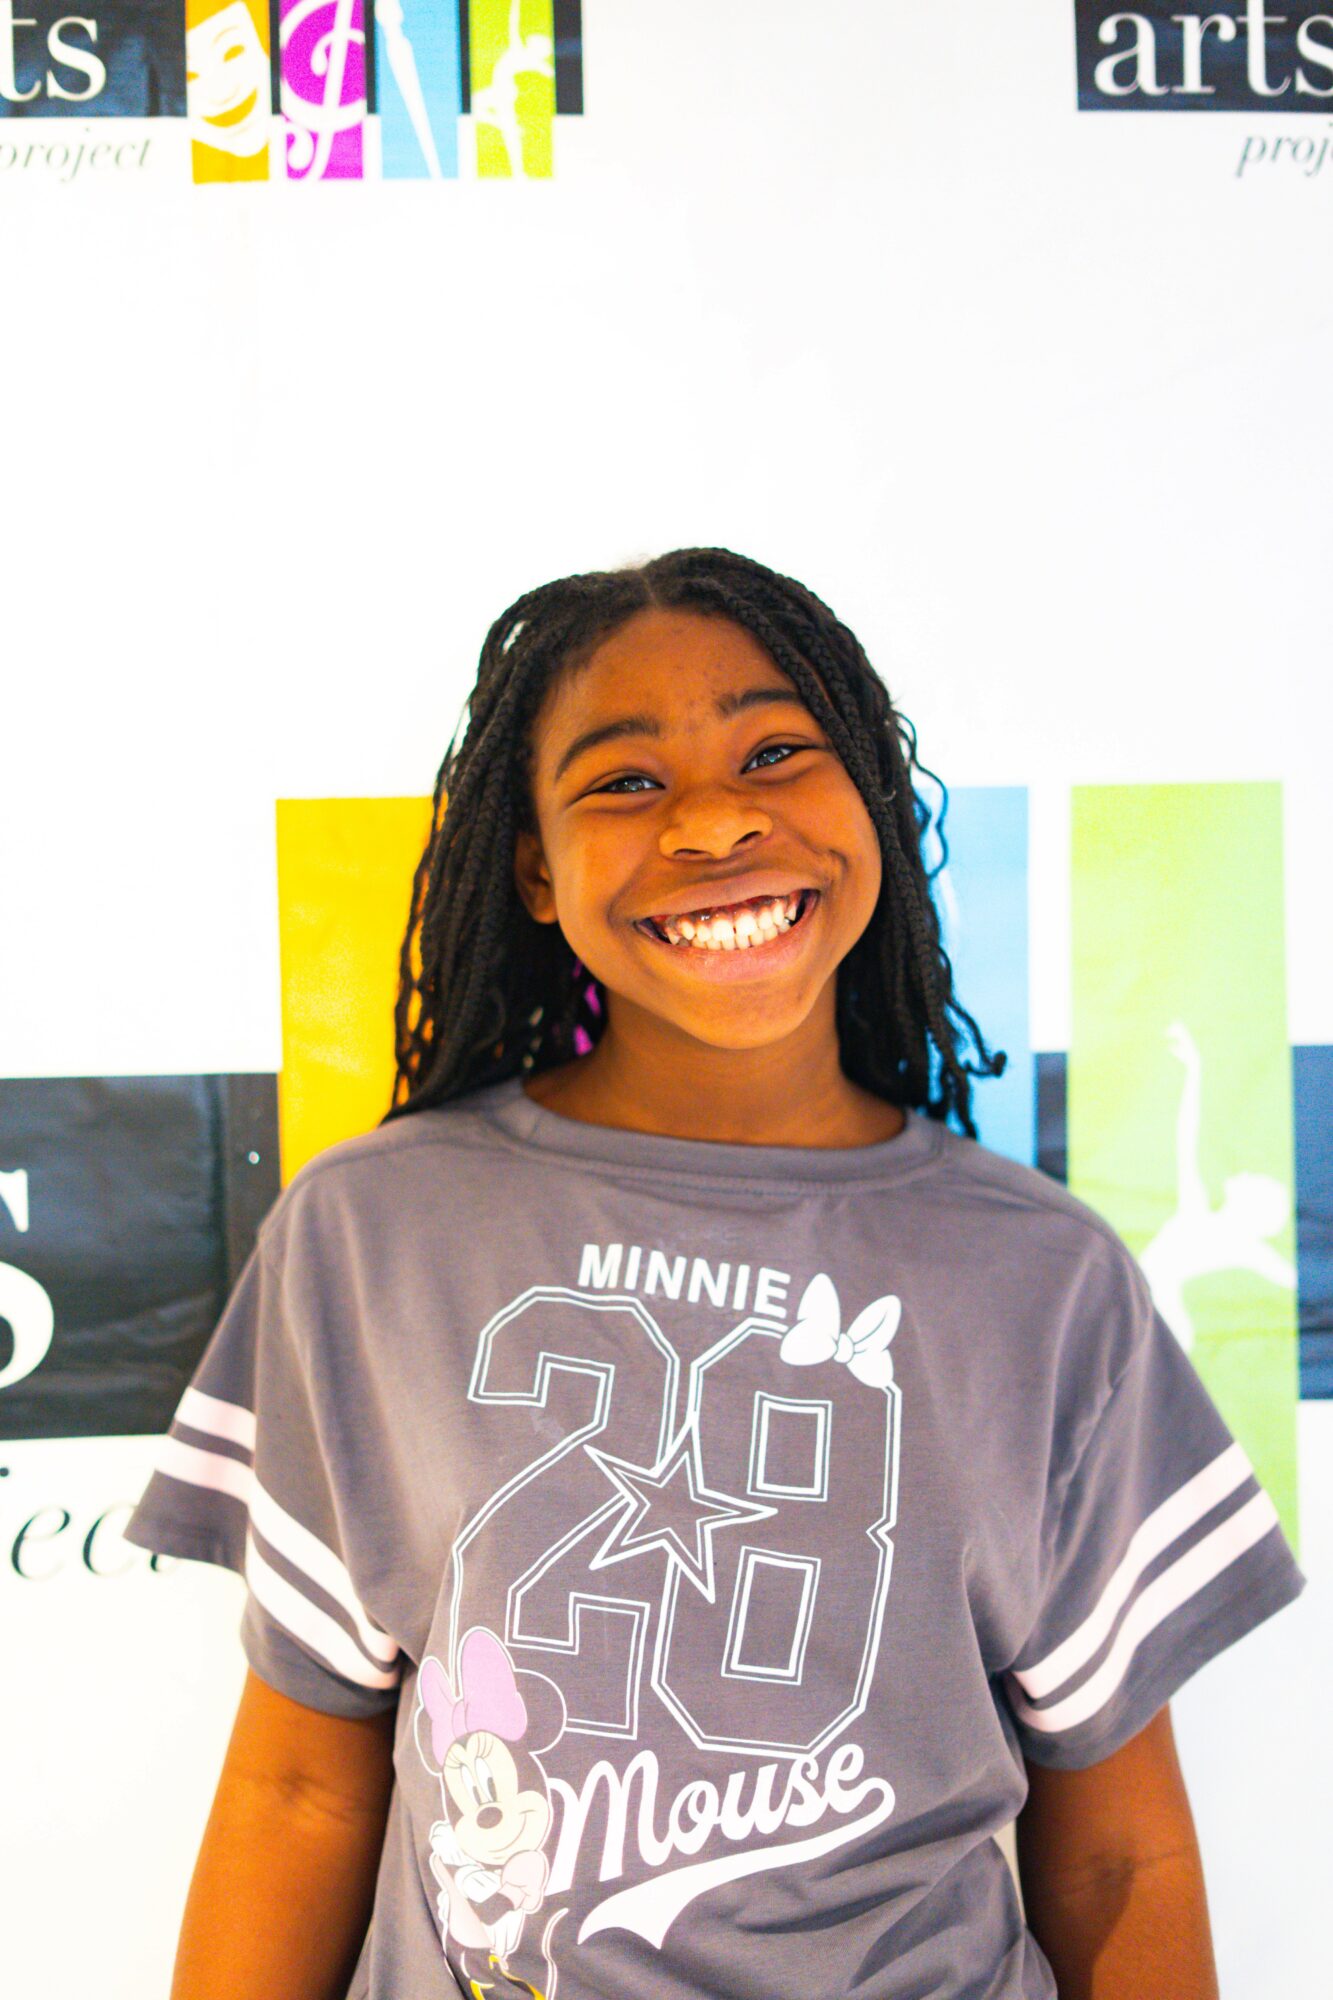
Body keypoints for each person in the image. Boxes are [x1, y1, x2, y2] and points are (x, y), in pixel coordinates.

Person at [125, 546, 1305, 2000]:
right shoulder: (373, 1233)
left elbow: (1119, 1858)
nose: (717, 818)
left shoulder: (1043, 1279)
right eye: (623, 781)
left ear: (867, 800)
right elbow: (299, 1790)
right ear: (534, 872)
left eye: (775, 751)